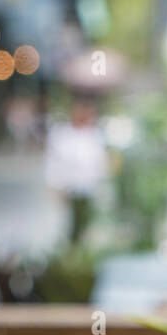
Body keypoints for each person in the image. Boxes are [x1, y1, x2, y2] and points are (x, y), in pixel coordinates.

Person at [44, 99, 109, 244]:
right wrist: (55, 184)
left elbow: (99, 162)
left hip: (88, 186)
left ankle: (80, 245)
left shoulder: (94, 135)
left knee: (86, 219)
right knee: (70, 220)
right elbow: (55, 162)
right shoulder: (63, 135)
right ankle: (71, 245)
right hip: (69, 186)